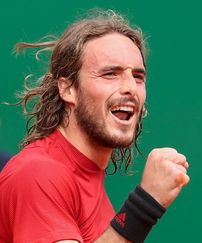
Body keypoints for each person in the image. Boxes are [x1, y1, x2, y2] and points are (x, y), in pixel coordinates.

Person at [0, 9, 190, 243]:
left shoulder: (84, 175)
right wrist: (145, 203)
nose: (130, 88)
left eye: (138, 77)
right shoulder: (38, 173)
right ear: (68, 89)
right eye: (110, 74)